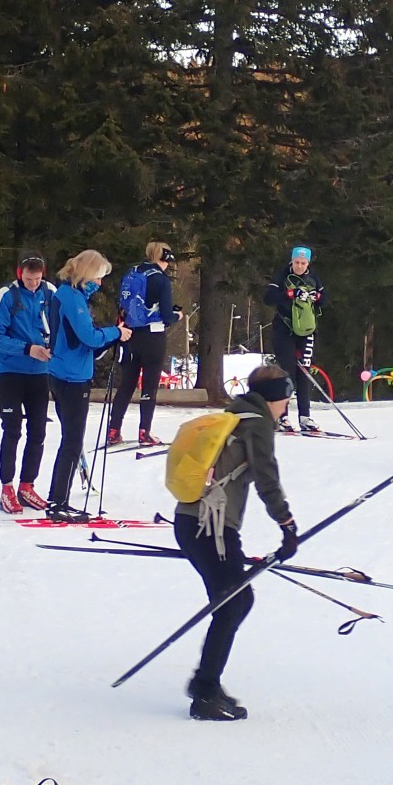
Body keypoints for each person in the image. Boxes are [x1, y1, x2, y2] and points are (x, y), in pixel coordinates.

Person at [172, 365, 299, 721]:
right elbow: (266, 477)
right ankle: (205, 690)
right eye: (285, 401)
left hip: (192, 522)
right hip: (209, 527)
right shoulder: (256, 423)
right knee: (234, 601)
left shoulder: (233, 413)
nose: (286, 408)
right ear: (274, 397)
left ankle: (206, 685)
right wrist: (287, 525)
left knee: (233, 599)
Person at [45, 250, 131, 521]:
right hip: (71, 377)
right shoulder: (72, 297)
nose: (100, 283)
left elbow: (82, 338)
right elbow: (88, 336)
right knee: (72, 440)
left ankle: (57, 498)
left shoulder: (71, 295)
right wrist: (116, 332)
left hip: (64, 371)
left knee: (70, 440)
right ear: (86, 273)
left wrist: (107, 337)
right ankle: (58, 501)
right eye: (98, 276)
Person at [0, 254, 54, 514]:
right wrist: (27, 349)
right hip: (11, 371)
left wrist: (52, 347)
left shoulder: (50, 293)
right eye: (29, 279)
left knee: (38, 430)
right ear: (19, 273)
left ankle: (28, 484)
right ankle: (7, 486)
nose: (33, 284)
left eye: (37, 279)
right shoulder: (6, 295)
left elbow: (59, 325)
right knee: (12, 429)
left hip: (40, 372)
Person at [108, 242, 175, 445]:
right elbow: (167, 315)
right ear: (165, 258)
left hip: (130, 334)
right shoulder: (160, 279)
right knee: (149, 385)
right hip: (153, 336)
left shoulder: (133, 272)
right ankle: (144, 431)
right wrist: (178, 315)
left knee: (127, 384)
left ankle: (113, 429)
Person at [264, 245, 325, 434]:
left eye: (303, 263)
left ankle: (305, 416)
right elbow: (268, 297)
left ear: (308, 263)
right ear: (291, 261)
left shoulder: (313, 277)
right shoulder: (282, 275)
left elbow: (325, 300)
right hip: (284, 330)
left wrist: (317, 297)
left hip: (307, 331)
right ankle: (282, 416)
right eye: (296, 262)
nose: (299, 266)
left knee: (304, 372)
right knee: (287, 372)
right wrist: (289, 294)